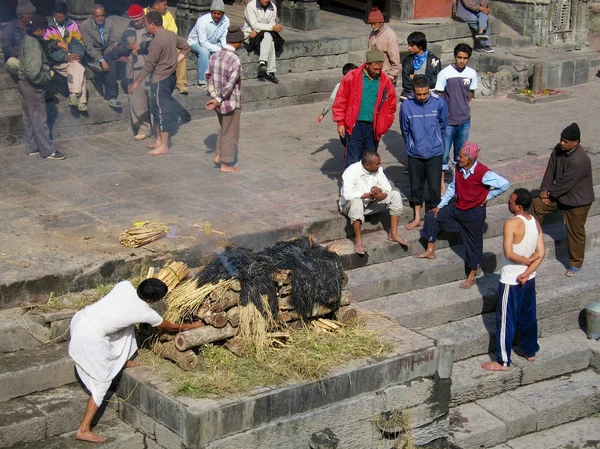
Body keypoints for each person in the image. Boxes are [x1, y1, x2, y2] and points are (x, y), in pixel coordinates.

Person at [68, 278, 203, 443]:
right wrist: (193, 326)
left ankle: (120, 362)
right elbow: (169, 327)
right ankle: (83, 430)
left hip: (80, 319)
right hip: (90, 337)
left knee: (127, 328)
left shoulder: (123, 285)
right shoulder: (144, 312)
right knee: (102, 383)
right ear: (150, 301)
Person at [414, 142, 509, 289]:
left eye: (461, 157)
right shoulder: (459, 168)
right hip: (458, 207)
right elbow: (452, 188)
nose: (458, 159)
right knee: (431, 216)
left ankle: (472, 274)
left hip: (474, 213)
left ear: (470, 160)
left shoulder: (483, 173)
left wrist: (488, 196)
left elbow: (504, 184)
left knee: (474, 244)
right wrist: (440, 206)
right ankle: (430, 250)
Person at [482, 188, 545, 372]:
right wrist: (528, 271)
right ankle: (529, 350)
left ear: (518, 207)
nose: (507, 204)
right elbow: (541, 253)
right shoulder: (535, 222)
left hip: (512, 280)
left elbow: (509, 253)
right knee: (528, 316)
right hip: (529, 279)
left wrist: (524, 265)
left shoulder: (511, 223)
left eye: (510, 202)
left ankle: (502, 361)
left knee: (506, 321)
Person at [530, 123, 595, 277]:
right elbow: (550, 171)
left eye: (566, 141)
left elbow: (566, 183)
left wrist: (550, 194)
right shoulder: (558, 150)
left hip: (577, 202)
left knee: (575, 232)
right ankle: (530, 244)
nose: (562, 143)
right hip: (558, 195)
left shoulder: (580, 160)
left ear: (576, 142)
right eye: (561, 139)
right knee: (538, 205)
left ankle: (575, 263)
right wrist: (544, 191)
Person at [129, 11, 191, 156]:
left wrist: (136, 83)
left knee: (162, 111)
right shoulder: (170, 34)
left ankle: (163, 145)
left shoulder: (157, 41)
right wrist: (175, 61)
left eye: (146, 25)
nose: (145, 28)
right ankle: (158, 140)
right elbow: (186, 47)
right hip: (170, 77)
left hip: (161, 80)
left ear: (152, 24)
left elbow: (149, 65)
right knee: (156, 108)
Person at [332, 48, 397, 168]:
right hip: (355, 125)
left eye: (380, 69)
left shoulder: (385, 82)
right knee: (353, 161)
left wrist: (384, 124)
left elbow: (391, 107)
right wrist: (340, 122)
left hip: (374, 127)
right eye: (375, 69)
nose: (378, 72)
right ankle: (350, 186)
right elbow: (341, 100)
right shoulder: (352, 77)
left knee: (370, 160)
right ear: (367, 65)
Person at [400, 75, 448, 230]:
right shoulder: (406, 105)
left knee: (434, 187)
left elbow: (443, 123)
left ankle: (433, 217)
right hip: (415, 153)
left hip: (435, 152)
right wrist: (412, 144)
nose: (422, 97)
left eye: (424, 94)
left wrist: (437, 141)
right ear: (413, 91)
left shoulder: (438, 102)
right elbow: (404, 129)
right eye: (419, 94)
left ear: (429, 90)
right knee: (416, 186)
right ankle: (417, 217)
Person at [340, 150, 409, 255]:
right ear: (367, 165)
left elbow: (387, 187)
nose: (380, 165)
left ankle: (393, 234)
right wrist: (370, 194)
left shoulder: (378, 169)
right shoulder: (351, 171)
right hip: (350, 206)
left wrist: (379, 190)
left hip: (371, 203)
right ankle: (358, 240)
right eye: (377, 163)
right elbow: (348, 194)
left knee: (395, 195)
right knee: (357, 202)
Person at [18, 15, 65, 160]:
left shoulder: (29, 38)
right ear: (38, 30)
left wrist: (56, 43)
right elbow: (34, 74)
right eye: (44, 30)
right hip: (33, 86)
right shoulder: (33, 46)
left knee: (29, 117)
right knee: (39, 118)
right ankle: (47, 150)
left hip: (23, 84)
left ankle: (32, 147)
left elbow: (44, 45)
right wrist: (48, 76)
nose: (45, 33)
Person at [205, 25, 244, 173]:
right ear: (238, 42)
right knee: (230, 132)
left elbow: (207, 76)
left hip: (217, 101)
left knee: (224, 128)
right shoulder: (235, 60)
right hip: (229, 102)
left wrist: (214, 96)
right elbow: (231, 83)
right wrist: (219, 98)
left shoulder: (215, 55)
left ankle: (218, 154)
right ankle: (226, 163)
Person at [435, 43, 478, 174]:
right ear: (455, 56)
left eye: (465, 58)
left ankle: (457, 179)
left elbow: (471, 93)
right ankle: (441, 182)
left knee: (461, 154)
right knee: (444, 154)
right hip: (448, 121)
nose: (462, 61)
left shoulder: (471, 73)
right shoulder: (444, 73)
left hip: (464, 120)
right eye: (459, 57)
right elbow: (439, 95)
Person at [43, 1, 88, 112]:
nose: (59, 18)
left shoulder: (72, 24)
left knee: (77, 66)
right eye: (57, 16)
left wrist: (77, 54)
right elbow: (48, 49)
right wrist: (64, 57)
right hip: (56, 61)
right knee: (79, 69)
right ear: (54, 13)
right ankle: (80, 100)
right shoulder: (47, 27)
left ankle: (74, 96)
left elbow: (78, 42)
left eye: (61, 16)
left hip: (71, 58)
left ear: (66, 15)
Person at [118, 4, 153, 141]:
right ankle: (144, 128)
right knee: (136, 102)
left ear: (143, 17)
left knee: (153, 101)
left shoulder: (151, 26)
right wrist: (128, 46)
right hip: (134, 69)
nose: (136, 23)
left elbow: (155, 43)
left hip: (149, 69)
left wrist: (141, 46)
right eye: (134, 20)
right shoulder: (128, 29)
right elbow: (119, 47)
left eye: (138, 20)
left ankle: (157, 128)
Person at [80, 4, 121, 109]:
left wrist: (106, 57)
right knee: (110, 64)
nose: (100, 18)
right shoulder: (85, 25)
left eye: (102, 15)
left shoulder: (109, 23)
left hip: (107, 51)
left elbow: (112, 41)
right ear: (92, 15)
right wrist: (101, 60)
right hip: (93, 53)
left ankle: (110, 96)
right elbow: (89, 47)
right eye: (97, 16)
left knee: (112, 60)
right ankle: (111, 96)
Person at [145, 0, 189, 95]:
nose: (167, 7)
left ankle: (181, 83)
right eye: (164, 4)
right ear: (156, 5)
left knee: (180, 51)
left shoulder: (167, 15)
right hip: (147, 44)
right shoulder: (143, 13)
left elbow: (173, 32)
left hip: (166, 44)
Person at [187, 0, 230, 90]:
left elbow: (223, 37)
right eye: (214, 13)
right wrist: (218, 50)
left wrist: (225, 48)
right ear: (211, 12)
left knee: (226, 52)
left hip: (213, 42)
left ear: (223, 13)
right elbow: (203, 42)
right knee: (204, 51)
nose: (216, 16)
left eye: (219, 14)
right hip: (195, 42)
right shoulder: (202, 20)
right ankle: (202, 81)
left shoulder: (226, 20)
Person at [242, 0, 284, 84]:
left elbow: (271, 24)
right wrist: (272, 27)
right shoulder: (251, 6)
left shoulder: (273, 7)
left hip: (264, 35)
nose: (266, 0)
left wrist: (274, 28)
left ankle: (262, 63)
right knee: (269, 38)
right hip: (251, 34)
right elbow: (254, 25)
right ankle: (270, 72)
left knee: (268, 37)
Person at [315, 62, 358, 143]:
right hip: (346, 119)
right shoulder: (340, 85)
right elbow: (332, 99)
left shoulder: (362, 84)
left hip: (358, 119)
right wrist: (322, 114)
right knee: (347, 141)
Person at [400, 31, 441, 102]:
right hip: (410, 95)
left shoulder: (434, 61)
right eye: (409, 45)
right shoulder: (407, 60)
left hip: (428, 95)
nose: (409, 48)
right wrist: (424, 79)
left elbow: (434, 81)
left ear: (420, 46)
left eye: (412, 46)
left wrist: (415, 77)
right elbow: (406, 83)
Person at [1, 0, 35, 75]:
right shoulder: (9, 28)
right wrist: (19, 55)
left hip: (31, 59)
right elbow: (6, 48)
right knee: (11, 62)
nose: (33, 17)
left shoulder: (32, 28)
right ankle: (34, 73)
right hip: (16, 59)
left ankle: (31, 74)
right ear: (23, 16)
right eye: (31, 15)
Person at [367, 7, 400, 84]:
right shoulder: (373, 33)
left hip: (385, 77)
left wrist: (390, 77)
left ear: (381, 22)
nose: (372, 26)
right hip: (373, 76)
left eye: (374, 24)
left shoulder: (390, 36)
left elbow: (395, 61)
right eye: (371, 24)